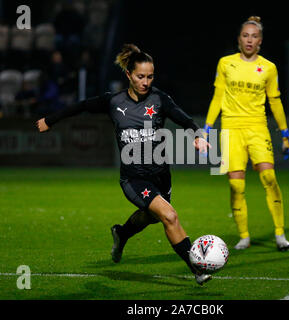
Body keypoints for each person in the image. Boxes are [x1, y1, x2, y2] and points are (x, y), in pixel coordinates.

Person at [36, 43, 212, 285]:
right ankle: (198, 268)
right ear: (128, 75)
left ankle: (121, 233)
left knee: (150, 217)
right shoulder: (114, 102)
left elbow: (186, 120)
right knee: (169, 216)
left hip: (161, 176)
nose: (146, 82)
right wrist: (49, 120)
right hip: (133, 179)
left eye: (150, 76)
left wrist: (199, 136)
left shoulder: (160, 99)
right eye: (140, 76)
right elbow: (82, 106)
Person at [203, 16, 289, 251]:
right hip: (231, 129)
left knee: (269, 178)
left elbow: (275, 102)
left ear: (260, 41)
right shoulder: (225, 63)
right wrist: (207, 128)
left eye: (254, 36)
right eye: (245, 35)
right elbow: (218, 96)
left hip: (257, 128)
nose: (249, 39)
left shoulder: (269, 68)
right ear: (239, 39)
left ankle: (280, 234)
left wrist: (285, 133)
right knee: (236, 186)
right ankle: (244, 235)